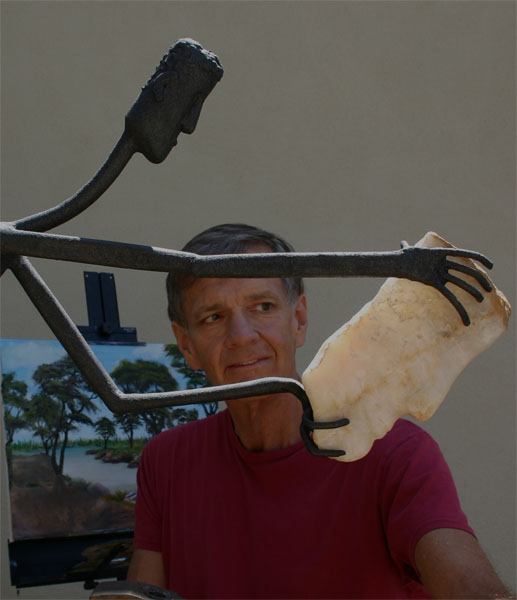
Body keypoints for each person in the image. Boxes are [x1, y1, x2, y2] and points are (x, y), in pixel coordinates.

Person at [128, 223, 512, 599]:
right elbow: (143, 591)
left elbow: (467, 583)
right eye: (213, 317)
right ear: (187, 344)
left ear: (298, 320)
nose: (241, 336)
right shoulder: (166, 462)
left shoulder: (396, 454)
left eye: (262, 307)